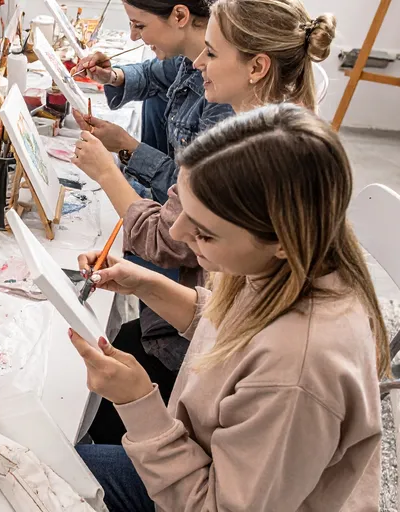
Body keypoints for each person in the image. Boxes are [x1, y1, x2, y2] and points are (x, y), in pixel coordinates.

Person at [71, 103, 389, 511]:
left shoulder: (296, 371)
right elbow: (232, 325)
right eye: (182, 206)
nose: (179, 232)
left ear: (279, 240)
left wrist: (139, 404)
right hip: (208, 461)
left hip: (206, 493)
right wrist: (148, 285)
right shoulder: (292, 266)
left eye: (204, 232)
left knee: (49, 467)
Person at [76, 0, 337, 445]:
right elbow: (230, 313)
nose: (196, 64)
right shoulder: (255, 133)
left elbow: (210, 492)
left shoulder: (243, 155)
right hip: (206, 349)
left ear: (257, 67)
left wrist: (142, 409)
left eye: (211, 54)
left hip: (201, 401)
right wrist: (146, 284)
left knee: (67, 443)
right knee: (92, 388)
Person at [71, 0, 234, 204]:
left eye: (140, 26)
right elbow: (152, 74)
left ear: (180, 16)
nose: (133, 36)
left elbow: (196, 195)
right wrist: (112, 76)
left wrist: (126, 147)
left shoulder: (224, 95)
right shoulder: (188, 57)